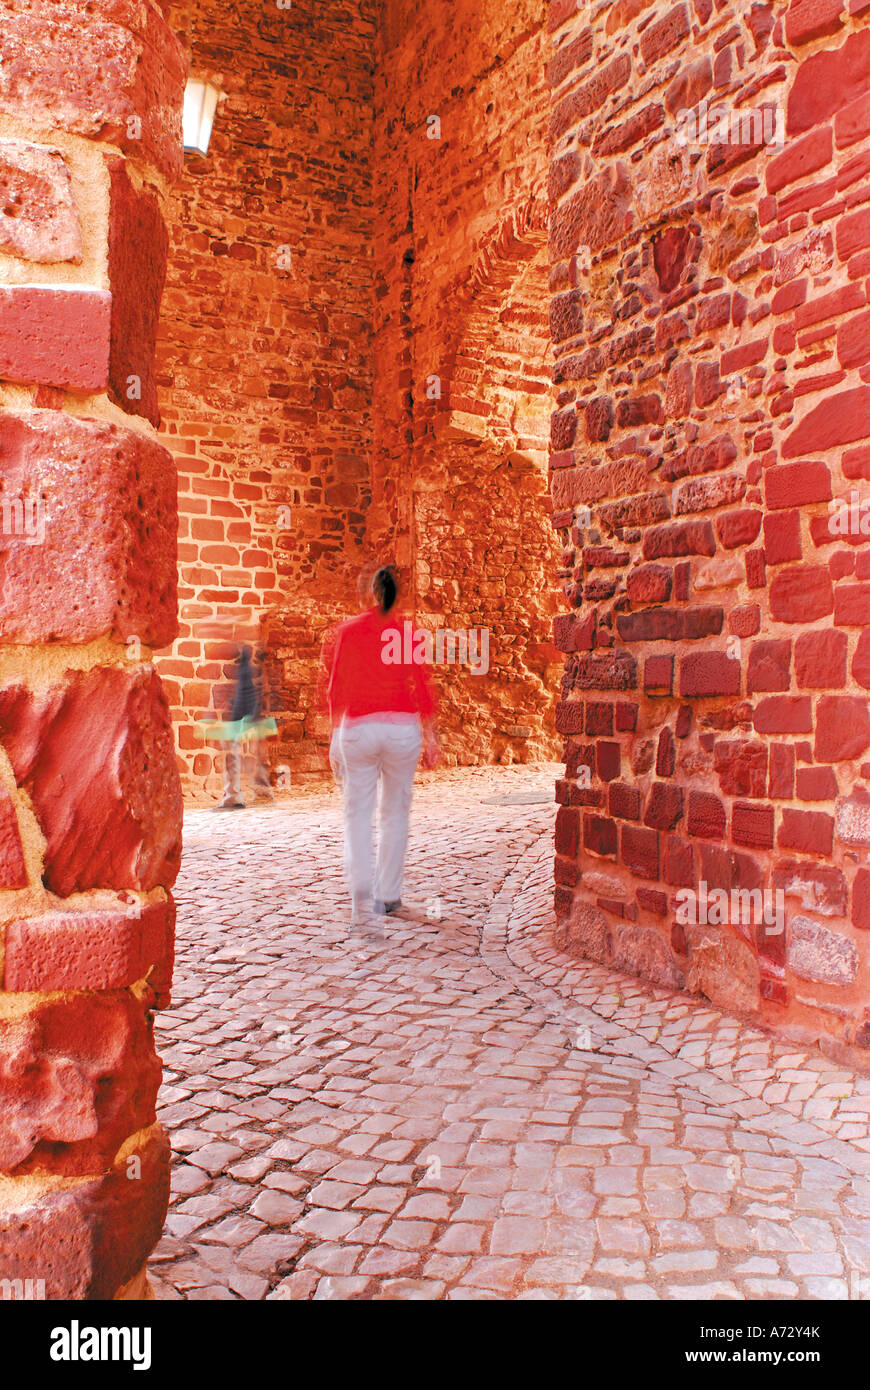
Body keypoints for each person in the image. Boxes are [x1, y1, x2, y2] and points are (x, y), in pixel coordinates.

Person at [326, 566, 439, 934]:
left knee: (357, 812)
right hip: (400, 729)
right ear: (396, 596)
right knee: (395, 812)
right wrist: (432, 736)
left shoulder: (348, 632)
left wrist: (333, 735)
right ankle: (388, 895)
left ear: (370, 594)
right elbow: (422, 688)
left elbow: (335, 688)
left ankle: (360, 893)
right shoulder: (407, 634)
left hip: (358, 727)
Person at [216, 645, 275, 810]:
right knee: (247, 754)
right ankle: (246, 794)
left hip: (243, 718)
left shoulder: (245, 672)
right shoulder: (249, 672)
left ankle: (234, 796)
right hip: (247, 717)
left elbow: (246, 695)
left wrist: (239, 715)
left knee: (234, 754)